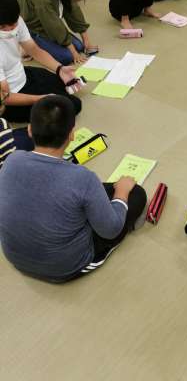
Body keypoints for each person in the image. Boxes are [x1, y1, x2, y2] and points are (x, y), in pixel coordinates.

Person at [0, 95, 147, 283]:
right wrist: (122, 193)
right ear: (71, 135)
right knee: (136, 194)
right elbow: (111, 230)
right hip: (65, 267)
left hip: (15, 258)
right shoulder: (83, 177)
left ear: (29, 130)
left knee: (89, 194)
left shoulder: (12, 160)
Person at [0, 0, 82, 123]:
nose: (11, 29)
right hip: (10, 99)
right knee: (72, 106)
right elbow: (5, 97)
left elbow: (33, 49)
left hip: (22, 74)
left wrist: (59, 69)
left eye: (14, 23)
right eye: (3, 27)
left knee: (66, 83)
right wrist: (38, 99)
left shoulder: (16, 20)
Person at [19, 0, 97, 65]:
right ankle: (27, 46)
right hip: (34, 28)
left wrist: (87, 41)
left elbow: (74, 11)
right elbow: (53, 25)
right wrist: (74, 53)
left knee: (79, 46)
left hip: (47, 22)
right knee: (67, 57)